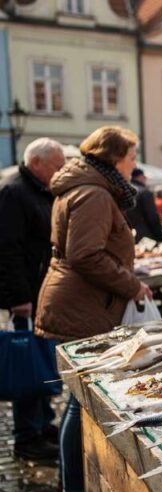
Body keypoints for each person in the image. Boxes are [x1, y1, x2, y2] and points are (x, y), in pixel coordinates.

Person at [35, 126, 152, 492]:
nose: (135, 164)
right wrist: (131, 283)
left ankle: (71, 488)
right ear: (115, 157)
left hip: (79, 301)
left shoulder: (87, 186)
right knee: (79, 401)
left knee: (77, 399)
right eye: (132, 156)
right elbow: (86, 254)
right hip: (82, 306)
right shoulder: (95, 193)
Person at [0, 138, 65, 460]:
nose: (61, 171)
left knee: (40, 359)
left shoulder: (38, 190)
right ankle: (27, 435)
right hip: (24, 295)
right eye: (57, 165)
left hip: (38, 290)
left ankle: (43, 424)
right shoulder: (14, 192)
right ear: (37, 163)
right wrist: (19, 297)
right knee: (26, 363)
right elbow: (7, 250)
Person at [125, 167, 162, 243]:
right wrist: (159, 236)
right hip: (145, 235)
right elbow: (152, 216)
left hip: (127, 234)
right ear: (140, 177)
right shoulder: (145, 192)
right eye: (145, 177)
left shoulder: (124, 190)